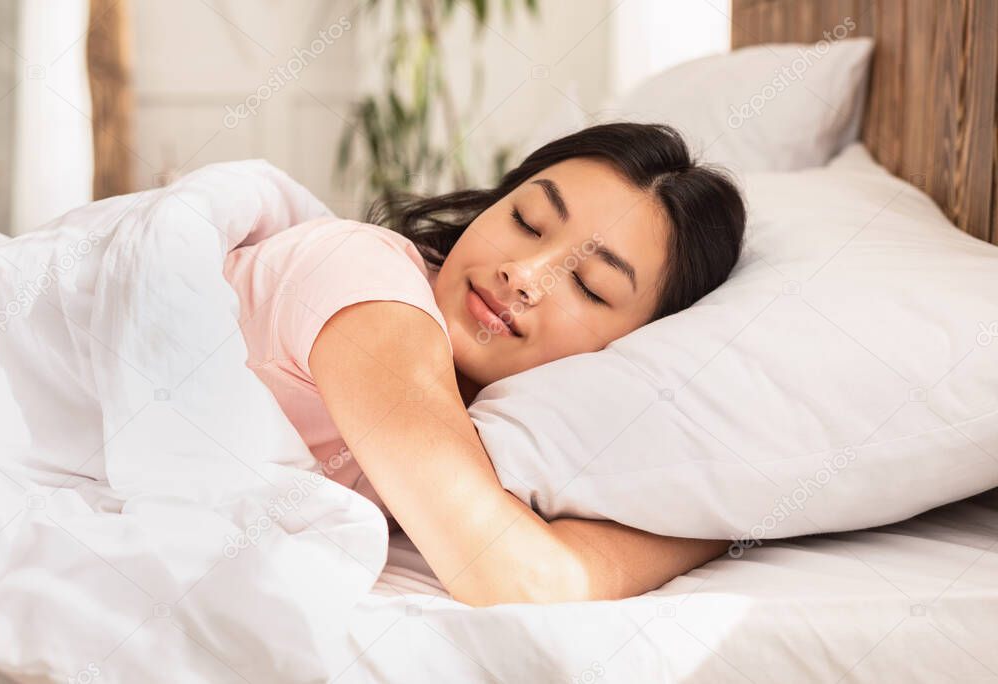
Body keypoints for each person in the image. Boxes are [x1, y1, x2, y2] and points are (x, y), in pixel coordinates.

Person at [223, 122, 746, 606]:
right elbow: (513, 575)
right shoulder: (367, 283)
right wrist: (709, 530)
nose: (523, 273)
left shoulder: (499, 423)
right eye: (527, 221)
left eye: (589, 285)